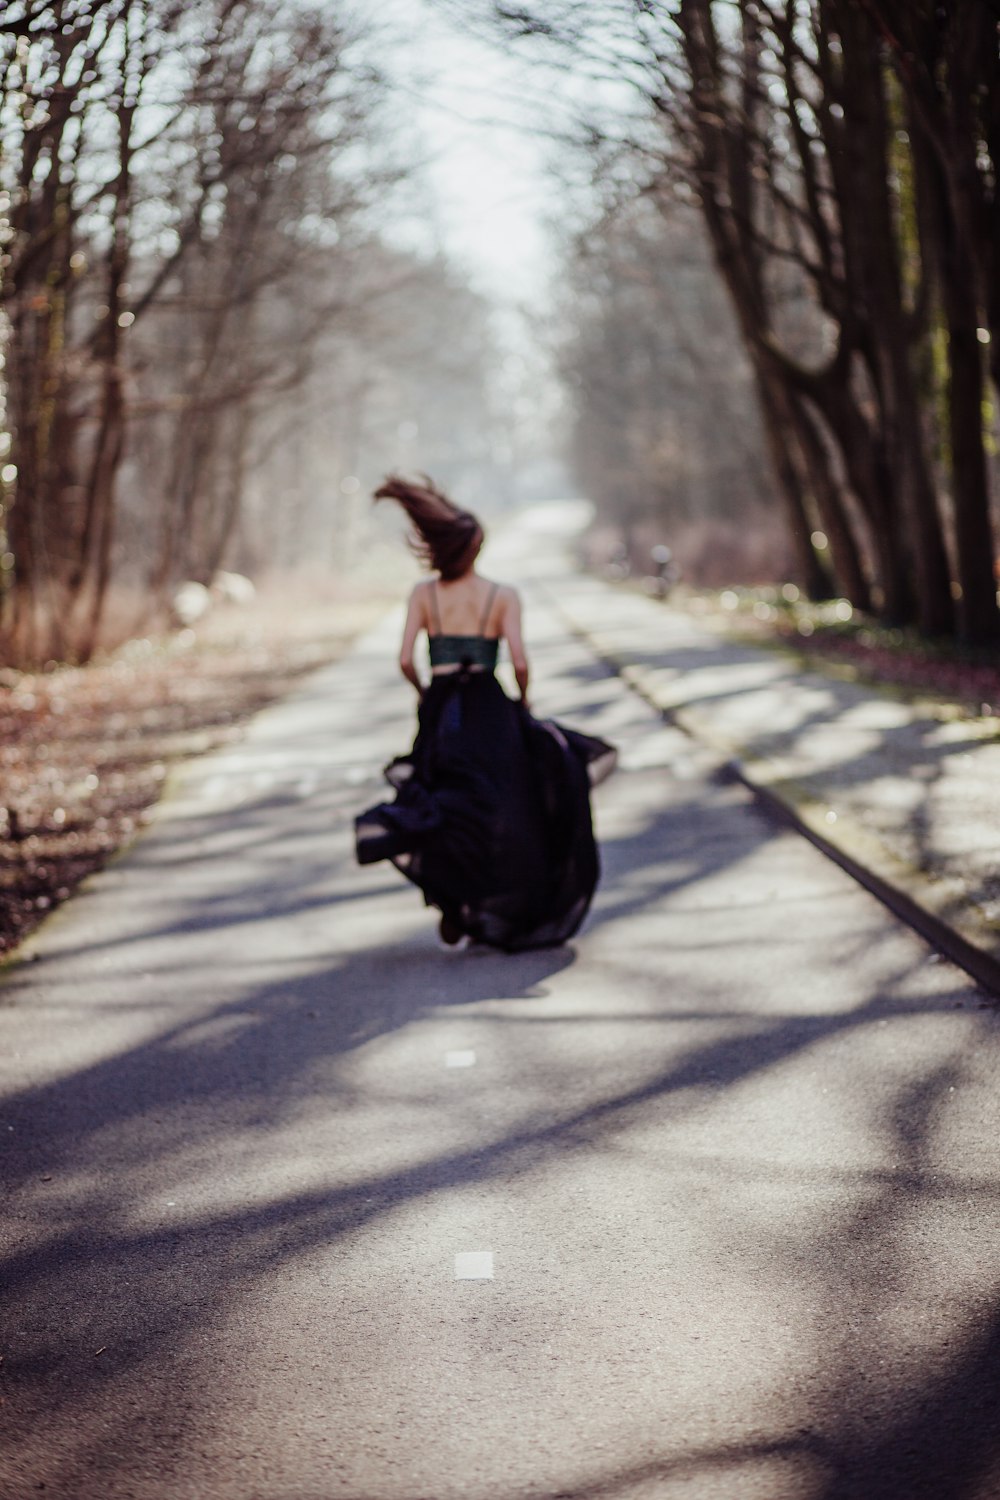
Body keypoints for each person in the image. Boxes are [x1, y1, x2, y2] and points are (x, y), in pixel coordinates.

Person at [354, 475, 615, 952]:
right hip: (490, 710)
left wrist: (423, 693)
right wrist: (523, 701)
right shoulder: (503, 596)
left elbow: (405, 660)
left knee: (442, 802)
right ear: (474, 550)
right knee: (506, 802)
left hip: (442, 711)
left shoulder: (423, 595)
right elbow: (518, 660)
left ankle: (454, 901)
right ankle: (497, 900)